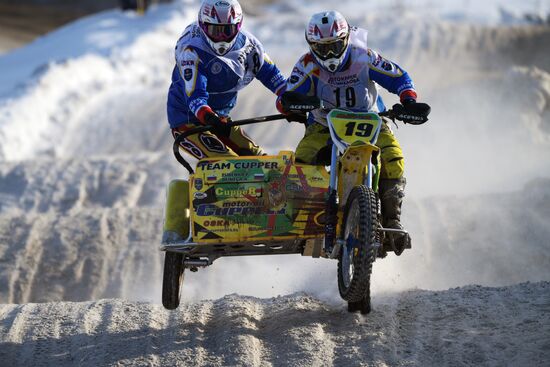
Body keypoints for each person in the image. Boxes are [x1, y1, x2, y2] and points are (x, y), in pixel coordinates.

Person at [278, 11, 429, 252]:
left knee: (394, 158)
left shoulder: (365, 57)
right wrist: (292, 104)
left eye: (335, 46)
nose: (329, 54)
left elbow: (400, 77)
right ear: (311, 45)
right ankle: (300, 216)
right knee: (303, 158)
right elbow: (286, 95)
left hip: (370, 120)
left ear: (346, 39)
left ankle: (392, 221)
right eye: (321, 48)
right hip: (324, 124)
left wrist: (408, 101)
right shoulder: (307, 64)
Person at [167, 0, 285, 159]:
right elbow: (195, 96)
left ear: (238, 26)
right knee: (229, 162)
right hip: (187, 121)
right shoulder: (191, 48)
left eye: (227, 30)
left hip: (220, 119)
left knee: (260, 159)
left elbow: (272, 75)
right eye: (214, 30)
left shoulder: (250, 46)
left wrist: (289, 97)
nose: (221, 38)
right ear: (202, 25)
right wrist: (209, 117)